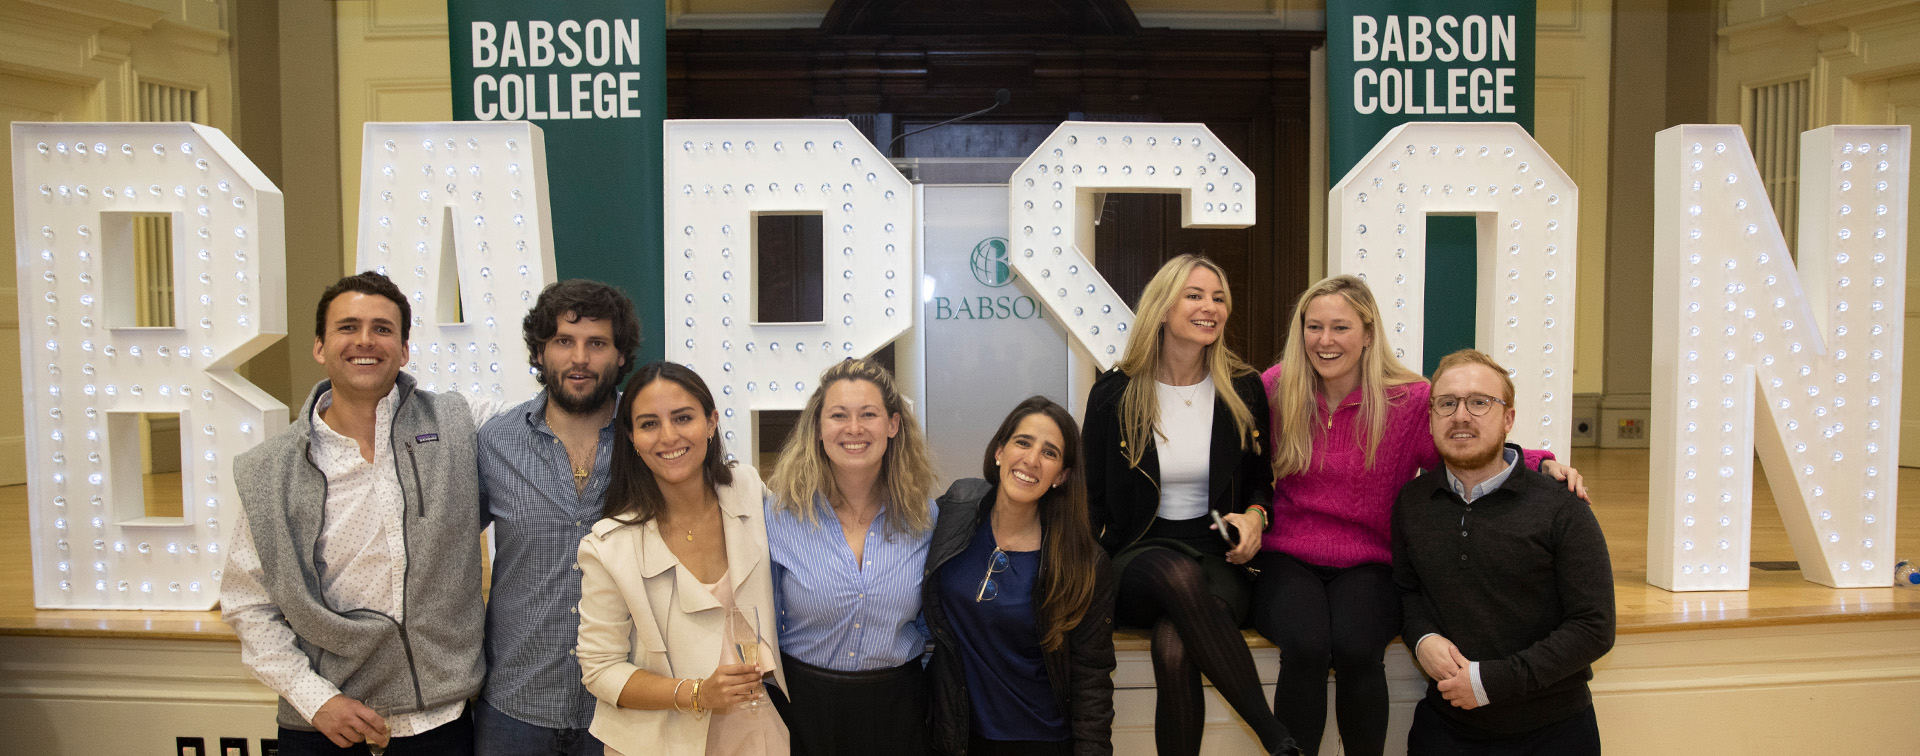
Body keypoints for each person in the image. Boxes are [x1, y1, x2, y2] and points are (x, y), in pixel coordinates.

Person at [1252, 276, 1586, 756]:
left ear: (1368, 334)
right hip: (1289, 556)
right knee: (1305, 648)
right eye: (1314, 327)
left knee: (1357, 648)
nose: (1325, 341)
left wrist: (1538, 461)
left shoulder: (1408, 398)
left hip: (1370, 559)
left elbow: (1457, 448)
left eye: (1341, 327)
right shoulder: (1276, 388)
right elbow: (1245, 465)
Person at [223, 271, 505, 754]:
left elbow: (548, 425)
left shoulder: (459, 424)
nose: (365, 341)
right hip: (325, 724)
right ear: (320, 346)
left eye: (382, 328)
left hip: (441, 722)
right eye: (348, 327)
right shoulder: (270, 471)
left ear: (404, 348)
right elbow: (248, 603)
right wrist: (317, 701)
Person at [1080, 255, 1300, 756]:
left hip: (1218, 555)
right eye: (1195, 295)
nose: (1210, 307)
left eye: (1219, 298)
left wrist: (1255, 517)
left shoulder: (1243, 388)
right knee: (1174, 574)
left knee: (1175, 646)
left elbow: (1259, 484)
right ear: (1162, 307)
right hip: (1139, 552)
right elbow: (1090, 502)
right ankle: (1275, 735)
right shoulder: (1114, 393)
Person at [1393, 349, 1615, 755]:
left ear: (1508, 418)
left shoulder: (1561, 505)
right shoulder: (1412, 502)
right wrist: (1422, 637)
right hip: (1446, 730)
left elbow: (1593, 626)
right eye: (1447, 403)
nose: (1461, 415)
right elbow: (1407, 591)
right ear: (1430, 419)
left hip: (1552, 731)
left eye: (1479, 402)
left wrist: (1491, 682)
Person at [575, 361, 789, 756]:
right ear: (632, 438)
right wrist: (696, 693)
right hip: (660, 742)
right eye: (649, 424)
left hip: (759, 730)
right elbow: (600, 670)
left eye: (683, 417)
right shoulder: (608, 546)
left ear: (711, 423)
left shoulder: (747, 490)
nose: (668, 436)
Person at [476, 280, 641, 756]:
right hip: (514, 708)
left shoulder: (650, 441)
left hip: (623, 706)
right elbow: (445, 551)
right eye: (564, 342)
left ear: (621, 355)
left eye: (597, 343)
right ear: (540, 351)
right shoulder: (496, 443)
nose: (580, 359)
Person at [762, 358, 939, 756]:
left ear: (892, 425)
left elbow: (934, 626)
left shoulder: (926, 519)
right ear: (819, 429)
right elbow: (764, 622)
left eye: (869, 414)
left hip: (900, 709)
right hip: (804, 710)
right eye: (839, 415)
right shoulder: (779, 517)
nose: (854, 429)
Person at [925, 396, 1116, 756]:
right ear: (999, 450)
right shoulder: (956, 509)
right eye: (1023, 442)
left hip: (1041, 741)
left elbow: (1093, 678)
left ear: (1062, 475)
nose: (1030, 459)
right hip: (957, 737)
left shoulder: (1084, 562)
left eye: (1050, 452)